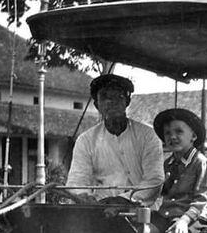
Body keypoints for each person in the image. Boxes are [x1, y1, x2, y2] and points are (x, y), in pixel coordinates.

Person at [66, 73, 164, 205]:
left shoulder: (148, 135)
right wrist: (87, 199)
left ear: (127, 102)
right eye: (105, 97)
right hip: (100, 210)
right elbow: (76, 183)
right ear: (97, 105)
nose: (112, 102)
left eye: (119, 96)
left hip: (141, 209)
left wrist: (124, 200)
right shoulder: (86, 141)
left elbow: (154, 179)